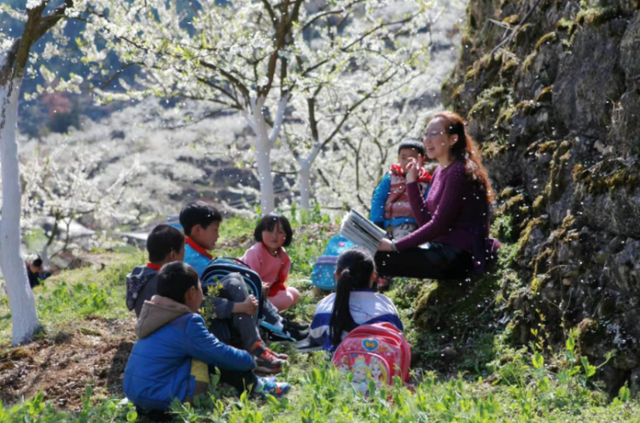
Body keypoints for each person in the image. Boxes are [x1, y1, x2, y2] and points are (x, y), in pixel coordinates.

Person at [123, 262, 290, 413]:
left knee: (202, 351)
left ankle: (256, 382)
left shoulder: (154, 315)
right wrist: (249, 359)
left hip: (138, 398)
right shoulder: (186, 322)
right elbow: (220, 354)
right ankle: (256, 387)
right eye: (200, 288)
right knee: (214, 357)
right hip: (165, 399)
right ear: (191, 293)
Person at [376, 111, 500, 280]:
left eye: (434, 134)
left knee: (372, 258)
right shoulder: (440, 171)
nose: (427, 140)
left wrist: (394, 246)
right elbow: (425, 221)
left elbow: (437, 225)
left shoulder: (458, 172)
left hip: (459, 255)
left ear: (453, 139)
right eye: (425, 134)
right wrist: (411, 183)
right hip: (442, 249)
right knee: (365, 253)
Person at [180, 201, 287, 373]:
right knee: (238, 284)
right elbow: (199, 302)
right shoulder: (194, 263)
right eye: (215, 229)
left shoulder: (195, 255)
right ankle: (259, 344)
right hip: (212, 322)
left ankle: (267, 336)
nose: (218, 235)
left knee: (237, 280)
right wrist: (239, 305)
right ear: (198, 230)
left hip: (219, 313)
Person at [308, 248, 403, 351]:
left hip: (336, 365)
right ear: (373, 276)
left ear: (336, 275)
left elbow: (315, 335)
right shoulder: (386, 305)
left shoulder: (325, 305)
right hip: (380, 365)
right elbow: (398, 335)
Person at [370, 140, 432, 240]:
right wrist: (376, 221)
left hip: (408, 223)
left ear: (422, 160)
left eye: (412, 158)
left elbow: (427, 205)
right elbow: (379, 198)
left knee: (402, 240)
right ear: (398, 159)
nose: (407, 161)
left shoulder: (425, 182)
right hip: (385, 221)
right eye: (403, 158)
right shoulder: (391, 176)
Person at [242, 213, 300, 312]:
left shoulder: (282, 255)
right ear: (261, 232)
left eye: (280, 232)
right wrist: (261, 288)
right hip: (252, 294)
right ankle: (263, 310)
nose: (274, 236)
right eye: (269, 231)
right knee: (287, 299)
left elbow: (280, 280)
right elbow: (249, 280)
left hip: (269, 290)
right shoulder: (255, 252)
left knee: (295, 293)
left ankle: (269, 307)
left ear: (287, 235)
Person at [126, 224, 186, 317]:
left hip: (145, 329)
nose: (184, 256)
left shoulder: (140, 275)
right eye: (183, 251)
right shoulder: (168, 282)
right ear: (173, 255)